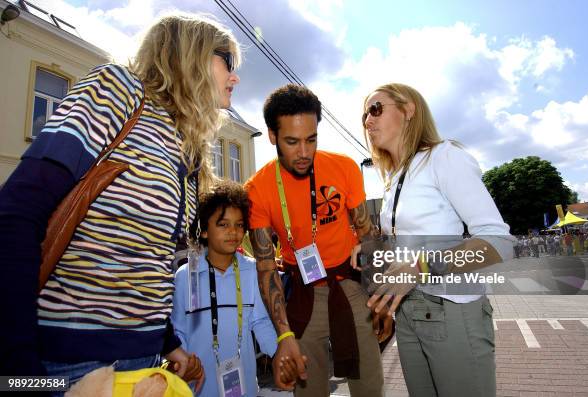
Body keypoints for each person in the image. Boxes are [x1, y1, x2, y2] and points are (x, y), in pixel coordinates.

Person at [0, 13, 240, 390]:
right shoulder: (118, 89)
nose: (235, 76)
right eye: (227, 61)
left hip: (144, 365)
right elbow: (17, 213)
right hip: (63, 366)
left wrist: (168, 344)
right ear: (188, 54)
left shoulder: (186, 149)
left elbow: (143, 263)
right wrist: (21, 372)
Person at [353, 83, 515, 397]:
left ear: (408, 109)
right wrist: (374, 252)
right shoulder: (396, 177)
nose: (367, 121)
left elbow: (499, 242)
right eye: (363, 116)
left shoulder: (444, 156)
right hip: (409, 313)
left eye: (375, 109)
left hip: (451, 310)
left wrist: (421, 266)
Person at [245, 84, 387, 396]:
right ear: (272, 136)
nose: (304, 152)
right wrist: (284, 336)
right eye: (292, 142)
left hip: (349, 285)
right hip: (302, 296)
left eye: (311, 139)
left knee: (369, 387)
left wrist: (378, 297)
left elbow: (366, 233)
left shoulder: (344, 167)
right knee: (308, 388)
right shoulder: (257, 189)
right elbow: (266, 268)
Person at [171, 180, 277, 397]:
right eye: (223, 224)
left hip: (245, 389)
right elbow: (177, 331)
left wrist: (279, 354)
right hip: (197, 390)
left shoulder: (250, 271)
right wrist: (181, 365)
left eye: (239, 225)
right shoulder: (185, 277)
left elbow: (260, 322)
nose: (233, 232)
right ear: (203, 231)